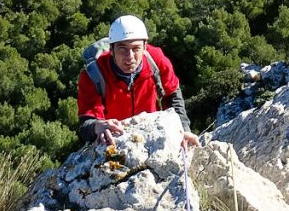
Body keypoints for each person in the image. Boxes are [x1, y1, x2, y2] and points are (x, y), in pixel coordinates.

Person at [77, 15, 199, 150]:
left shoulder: (156, 60)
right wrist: (97, 126)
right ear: (111, 50)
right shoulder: (94, 75)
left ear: (145, 47)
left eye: (136, 48)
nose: (130, 57)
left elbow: (172, 94)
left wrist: (182, 129)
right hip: (115, 141)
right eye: (122, 48)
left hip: (153, 135)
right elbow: (86, 122)